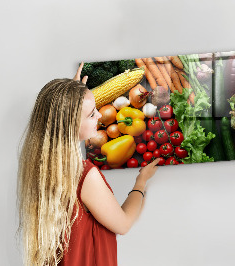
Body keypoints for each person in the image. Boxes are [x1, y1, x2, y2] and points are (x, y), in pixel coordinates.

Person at [17, 63, 160, 266]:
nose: (100, 116)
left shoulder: (38, 166)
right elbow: (123, 223)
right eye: (92, 114)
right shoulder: (84, 176)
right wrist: (141, 182)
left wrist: (72, 96)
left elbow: (57, 118)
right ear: (70, 124)